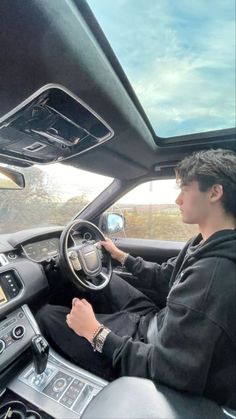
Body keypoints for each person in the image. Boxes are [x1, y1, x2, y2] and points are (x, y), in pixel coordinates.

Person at [37, 149, 236, 409]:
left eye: (185, 189)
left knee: (47, 315)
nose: (178, 199)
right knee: (105, 282)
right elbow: (167, 277)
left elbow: (170, 369)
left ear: (214, 193)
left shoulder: (214, 277)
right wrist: (122, 257)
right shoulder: (204, 242)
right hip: (159, 322)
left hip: (152, 352)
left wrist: (94, 332)